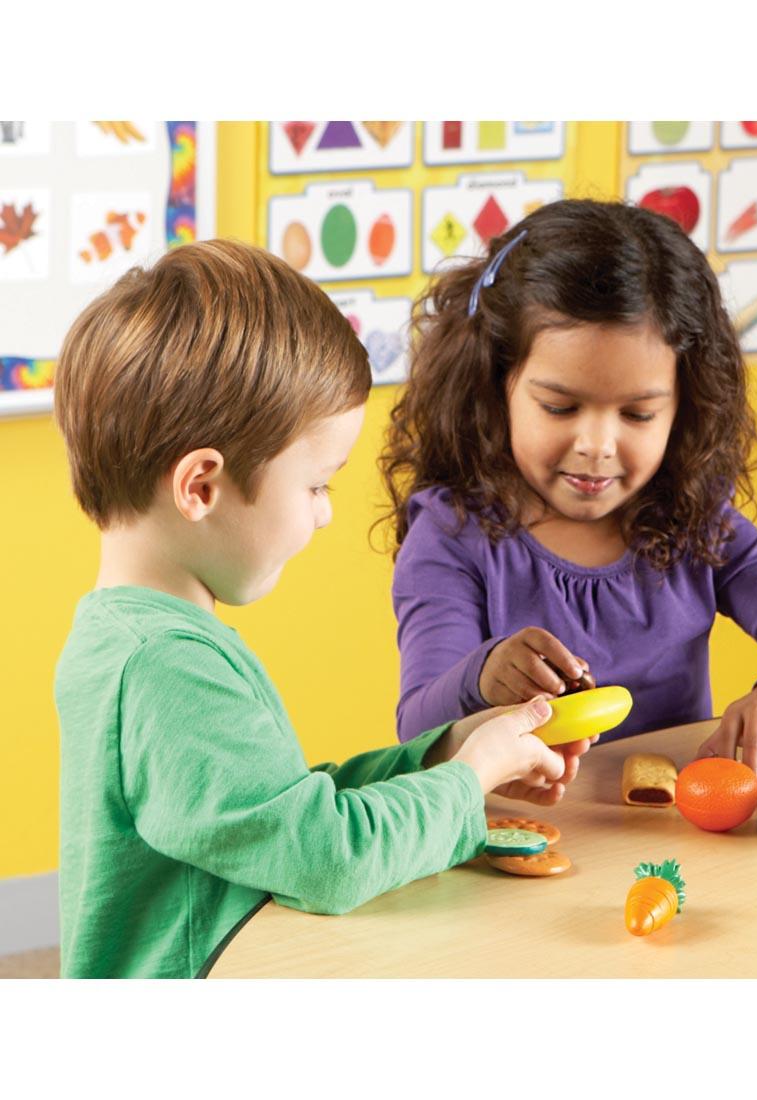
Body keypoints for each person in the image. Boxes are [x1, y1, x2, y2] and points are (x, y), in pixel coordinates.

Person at [52, 239, 591, 979]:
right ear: (201, 487)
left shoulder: (142, 637)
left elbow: (282, 808)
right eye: (315, 485)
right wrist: (467, 781)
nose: (326, 514)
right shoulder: (164, 667)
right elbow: (327, 856)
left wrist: (446, 752)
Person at [381, 198, 757, 789]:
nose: (597, 444)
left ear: (684, 406)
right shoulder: (454, 534)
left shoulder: (693, 521)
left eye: (638, 414)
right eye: (559, 406)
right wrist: (483, 677)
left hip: (675, 839)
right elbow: (417, 731)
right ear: (496, 385)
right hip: (521, 840)